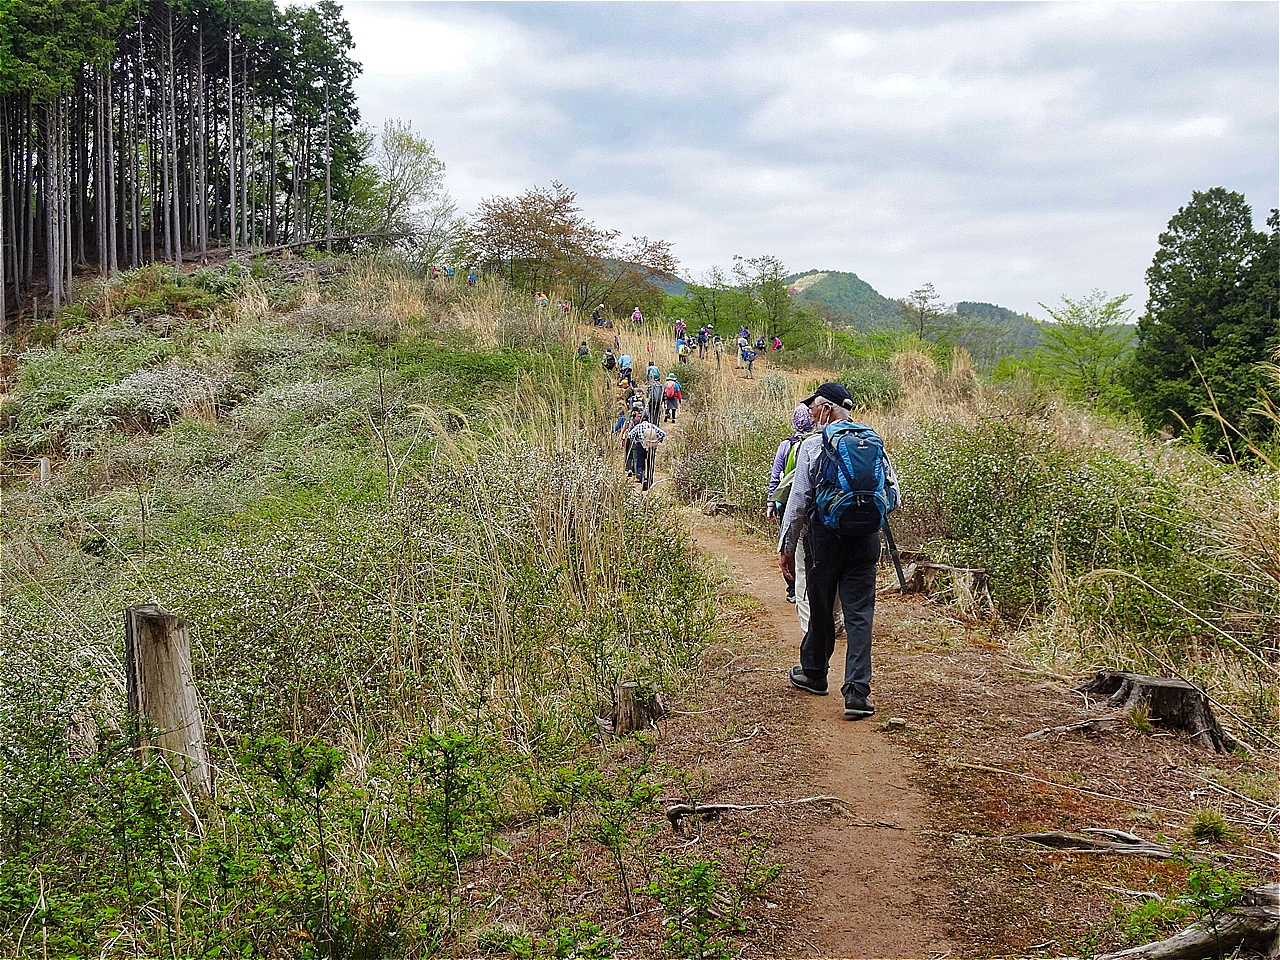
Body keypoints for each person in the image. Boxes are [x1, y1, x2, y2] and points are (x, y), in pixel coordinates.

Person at [778, 382, 901, 720]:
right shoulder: (872, 441)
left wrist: (787, 546)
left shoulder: (813, 445)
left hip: (825, 539)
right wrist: (863, 514)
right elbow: (894, 493)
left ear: (827, 409)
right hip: (865, 540)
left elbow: (798, 501)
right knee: (859, 614)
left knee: (820, 607)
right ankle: (857, 693)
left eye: (814, 408)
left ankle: (815, 674)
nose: (811, 414)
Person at [767, 404, 817, 601]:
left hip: (787, 502)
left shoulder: (786, 445)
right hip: (811, 504)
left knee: (790, 543)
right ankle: (810, 587)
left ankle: (793, 589)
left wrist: (771, 502)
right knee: (809, 545)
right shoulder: (818, 442)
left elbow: (776, 477)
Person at [626, 414, 666, 491]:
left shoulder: (638, 426)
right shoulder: (652, 426)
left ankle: (642, 479)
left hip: (641, 446)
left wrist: (635, 441)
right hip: (651, 447)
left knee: (640, 464)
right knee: (650, 464)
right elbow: (663, 434)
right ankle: (650, 480)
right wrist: (657, 441)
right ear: (648, 419)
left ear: (641, 419)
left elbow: (630, 435)